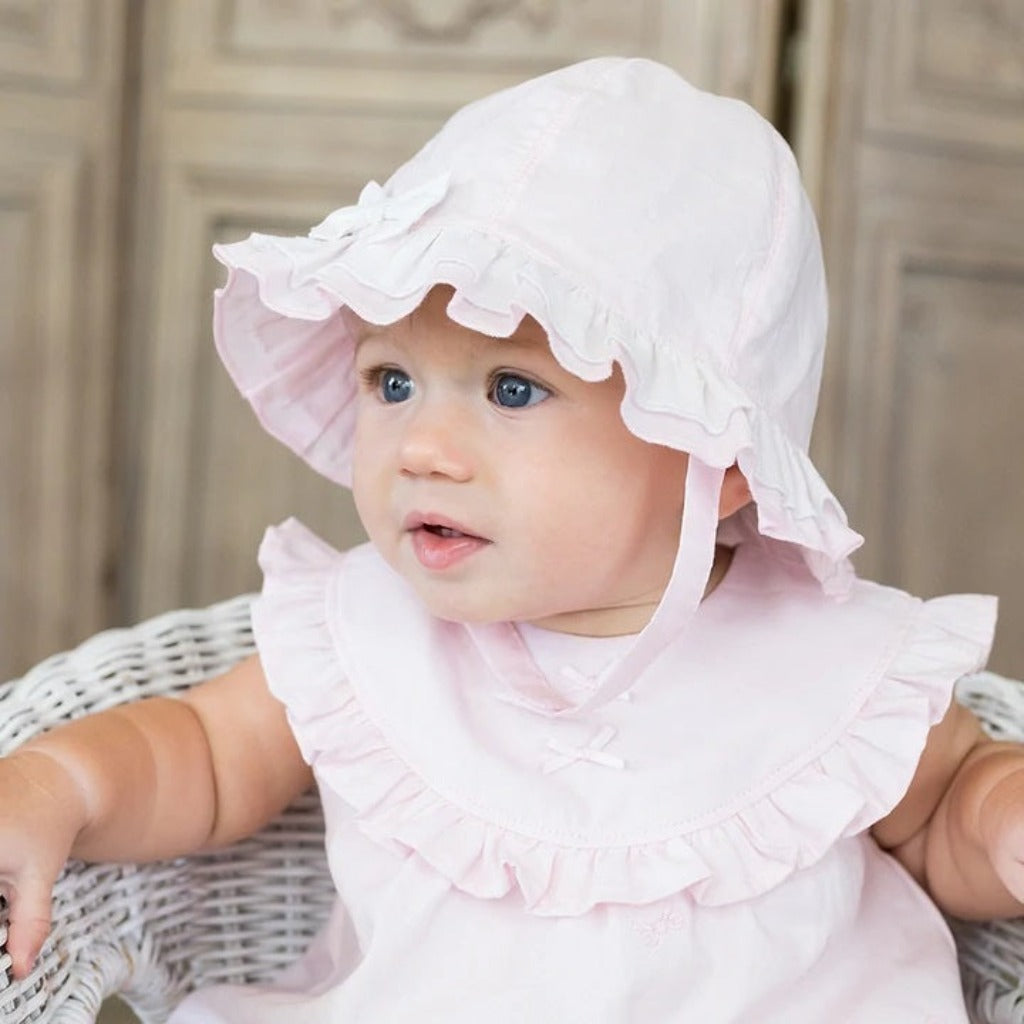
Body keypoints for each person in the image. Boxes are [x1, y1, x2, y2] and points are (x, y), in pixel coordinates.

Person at [1, 57, 1022, 1022]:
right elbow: (206, 754)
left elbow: (944, 818)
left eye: (513, 388)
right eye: (390, 381)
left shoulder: (831, 662)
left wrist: (1000, 816)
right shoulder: (364, 631)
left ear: (722, 467)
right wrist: (58, 785)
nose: (422, 447)